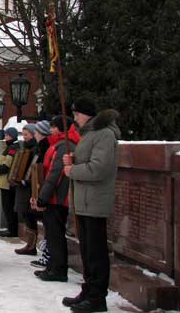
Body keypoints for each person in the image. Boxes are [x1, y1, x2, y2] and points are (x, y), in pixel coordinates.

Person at [62, 100, 120, 313]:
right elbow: (88, 161)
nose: (75, 118)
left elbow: (100, 168)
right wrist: (73, 159)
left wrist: (73, 170)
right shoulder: (90, 134)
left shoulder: (104, 134)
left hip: (95, 201)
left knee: (95, 251)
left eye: (76, 114)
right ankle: (88, 290)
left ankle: (97, 297)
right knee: (87, 250)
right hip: (84, 202)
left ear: (86, 114)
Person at [32, 115, 80, 282]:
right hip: (54, 197)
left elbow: (55, 173)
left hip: (57, 198)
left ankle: (58, 269)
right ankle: (53, 265)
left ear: (60, 129)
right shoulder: (58, 144)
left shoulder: (64, 146)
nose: (50, 130)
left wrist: (43, 197)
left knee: (56, 234)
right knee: (52, 234)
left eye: (53, 127)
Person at [28, 120, 52, 268]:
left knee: (50, 225)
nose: (34, 134)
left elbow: (45, 170)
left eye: (36, 132)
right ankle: (47, 255)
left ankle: (49, 256)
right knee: (47, 224)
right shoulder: (41, 148)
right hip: (42, 189)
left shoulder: (45, 147)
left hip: (47, 191)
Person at [13, 124, 38, 255]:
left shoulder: (34, 149)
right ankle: (29, 244)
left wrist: (26, 179)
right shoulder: (24, 148)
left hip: (28, 186)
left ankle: (31, 245)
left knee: (29, 213)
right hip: (22, 186)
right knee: (24, 213)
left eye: (27, 134)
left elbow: (34, 167)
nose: (24, 137)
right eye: (23, 134)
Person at [0, 127, 19, 237]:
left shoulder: (12, 148)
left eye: (8, 135)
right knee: (7, 206)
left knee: (8, 207)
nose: (5, 137)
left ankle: (12, 230)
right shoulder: (8, 147)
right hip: (3, 182)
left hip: (6, 182)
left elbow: (7, 165)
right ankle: (10, 228)